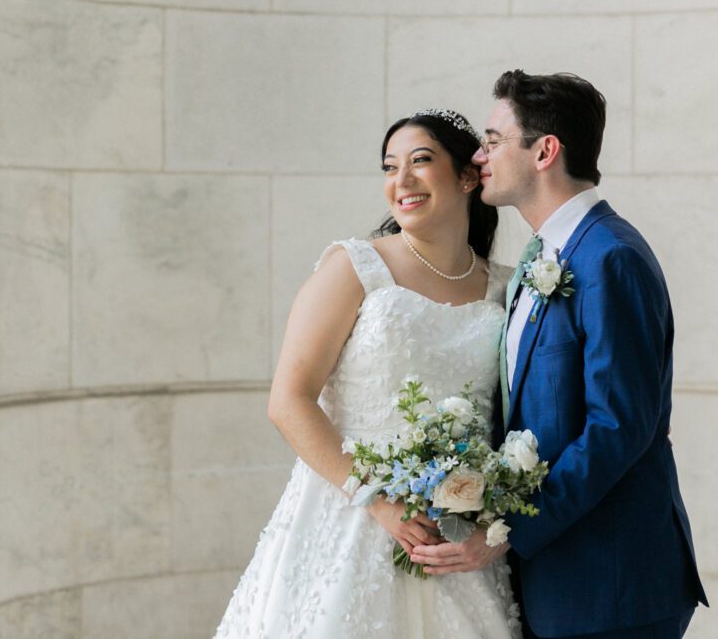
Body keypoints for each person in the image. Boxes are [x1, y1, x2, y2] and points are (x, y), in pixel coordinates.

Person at [409, 70, 709, 638]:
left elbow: (617, 427)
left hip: (611, 587)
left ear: (545, 150)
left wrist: (503, 535)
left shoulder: (609, 257)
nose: (480, 154)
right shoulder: (543, 254)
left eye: (495, 141)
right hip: (559, 583)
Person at [214, 109, 520, 638]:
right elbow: (289, 401)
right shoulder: (354, 268)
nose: (401, 181)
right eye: (389, 166)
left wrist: (494, 519)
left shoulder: (506, 288)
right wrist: (378, 500)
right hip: (349, 517)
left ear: (468, 176)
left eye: (420, 161)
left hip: (456, 535)